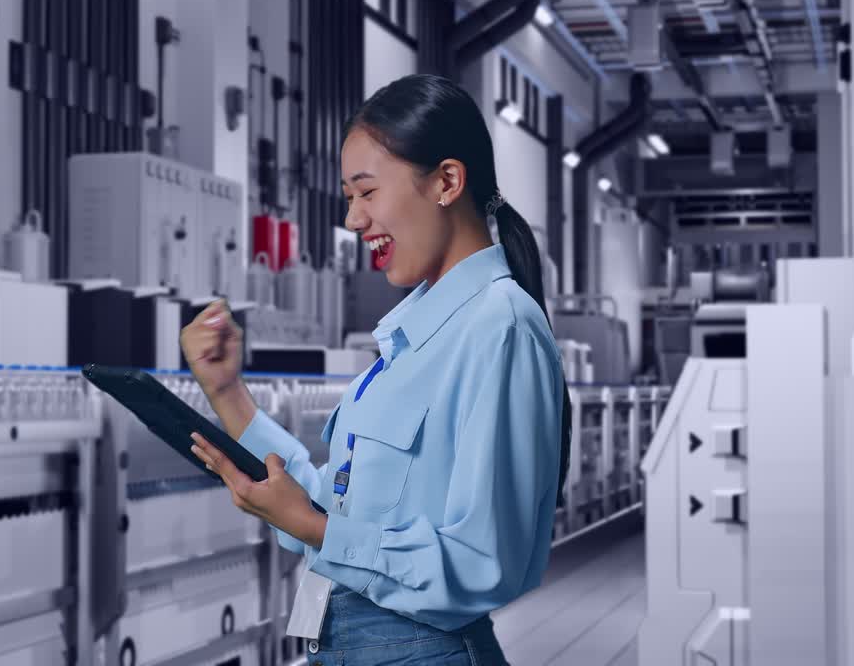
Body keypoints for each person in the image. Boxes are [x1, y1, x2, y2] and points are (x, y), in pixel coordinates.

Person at [180, 73, 568, 665]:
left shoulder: (499, 327)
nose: (354, 220)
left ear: (446, 181)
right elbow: (334, 512)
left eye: (366, 192)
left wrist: (318, 533)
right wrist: (228, 394)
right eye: (348, 197)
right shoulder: (408, 337)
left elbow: (485, 563)